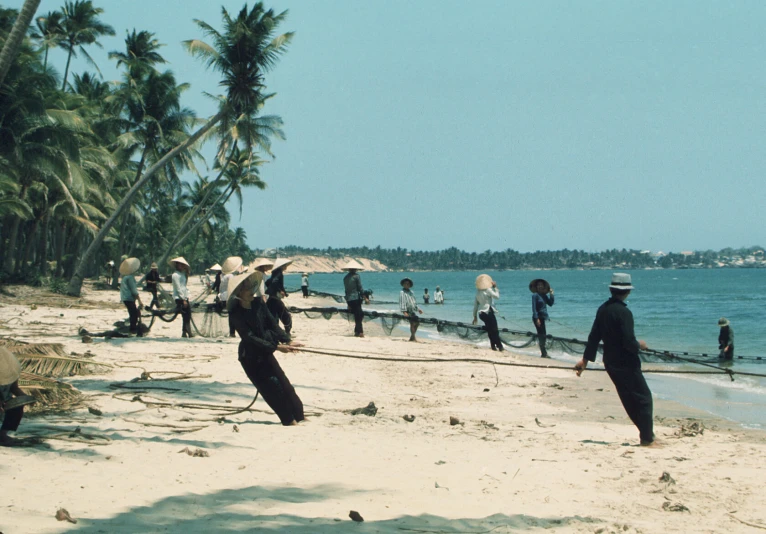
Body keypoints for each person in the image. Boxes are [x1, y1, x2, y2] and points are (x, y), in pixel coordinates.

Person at [575, 273, 654, 446]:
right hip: (627, 362)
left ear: (612, 290)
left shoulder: (603, 309)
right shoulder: (624, 312)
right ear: (627, 292)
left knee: (628, 399)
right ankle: (647, 438)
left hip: (610, 361)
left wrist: (585, 361)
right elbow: (628, 342)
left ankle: (646, 435)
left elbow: (594, 336)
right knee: (644, 398)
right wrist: (640, 345)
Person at [227, 270, 305, 426]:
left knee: (285, 385)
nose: (251, 291)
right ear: (239, 292)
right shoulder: (235, 313)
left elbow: (272, 324)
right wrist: (277, 347)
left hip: (266, 352)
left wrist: (287, 340)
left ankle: (300, 416)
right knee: (272, 389)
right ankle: (289, 420)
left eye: (252, 287)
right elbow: (249, 337)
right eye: (247, 288)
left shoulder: (258, 303)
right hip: (250, 358)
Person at [0, 347, 29, 446]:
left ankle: (2, 434)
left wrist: (24, 397)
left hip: (5, 400)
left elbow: (15, 389)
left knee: (17, 407)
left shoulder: (11, 372)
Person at [472, 274, 503, 351]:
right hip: (488, 312)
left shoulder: (477, 292)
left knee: (490, 330)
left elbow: (475, 306)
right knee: (495, 330)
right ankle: (499, 346)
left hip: (481, 314)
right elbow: (497, 296)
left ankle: (493, 346)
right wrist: (495, 287)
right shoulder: (488, 290)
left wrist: (474, 316)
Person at [265, 258, 293, 335]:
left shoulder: (274, 273)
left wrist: (284, 292)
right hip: (274, 297)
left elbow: (267, 283)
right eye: (285, 265)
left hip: (270, 296)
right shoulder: (279, 273)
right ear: (282, 266)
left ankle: (274, 331)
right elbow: (275, 283)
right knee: (284, 314)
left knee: (274, 314)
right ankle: (286, 332)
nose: (286, 266)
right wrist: (279, 291)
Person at [169, 256, 193, 338]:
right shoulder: (175, 275)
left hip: (184, 296)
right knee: (186, 315)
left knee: (187, 316)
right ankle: (187, 332)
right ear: (177, 265)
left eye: (183, 265)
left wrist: (186, 273)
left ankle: (185, 332)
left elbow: (184, 285)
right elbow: (178, 288)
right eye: (180, 265)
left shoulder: (182, 274)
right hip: (179, 297)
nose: (182, 266)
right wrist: (183, 299)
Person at [530, 278, 555, 358]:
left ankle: (543, 353)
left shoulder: (544, 296)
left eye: (541, 285)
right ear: (536, 287)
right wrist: (536, 318)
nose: (540, 286)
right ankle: (544, 353)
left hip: (543, 317)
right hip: (537, 318)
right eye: (538, 285)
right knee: (541, 335)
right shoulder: (535, 296)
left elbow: (550, 304)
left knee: (543, 335)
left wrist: (551, 294)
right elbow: (534, 308)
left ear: (543, 286)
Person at [342, 260, 367, 337]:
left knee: (358, 314)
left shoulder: (345, 278)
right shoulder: (356, 276)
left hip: (349, 299)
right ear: (355, 269)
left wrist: (348, 303)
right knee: (359, 314)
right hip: (356, 298)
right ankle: (360, 332)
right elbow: (360, 288)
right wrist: (365, 297)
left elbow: (346, 291)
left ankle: (356, 331)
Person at [119, 257, 143, 336]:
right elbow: (134, 290)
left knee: (132, 312)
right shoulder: (130, 278)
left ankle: (132, 329)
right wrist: (139, 301)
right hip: (129, 298)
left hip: (125, 298)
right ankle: (132, 330)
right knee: (134, 314)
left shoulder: (125, 277)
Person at [219, 257, 242, 337]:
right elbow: (234, 286)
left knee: (232, 315)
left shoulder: (224, 276)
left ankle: (232, 332)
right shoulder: (230, 276)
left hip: (224, 297)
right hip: (229, 297)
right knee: (234, 315)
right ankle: (232, 332)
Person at [400, 278, 423, 342]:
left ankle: (412, 337)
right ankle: (413, 337)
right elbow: (402, 302)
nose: (406, 285)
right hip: (407, 310)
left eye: (408, 284)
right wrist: (404, 312)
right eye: (405, 284)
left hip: (412, 310)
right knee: (412, 323)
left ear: (410, 285)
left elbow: (414, 302)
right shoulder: (402, 292)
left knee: (417, 322)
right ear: (403, 284)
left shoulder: (411, 292)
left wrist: (418, 309)